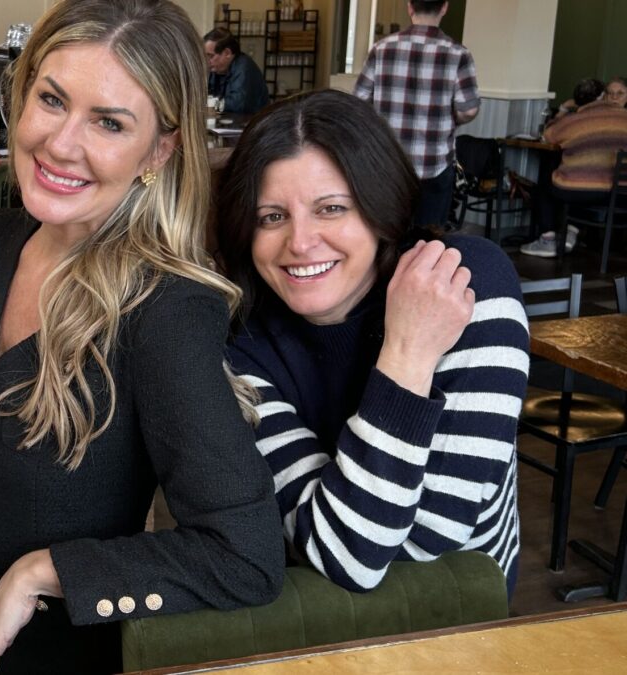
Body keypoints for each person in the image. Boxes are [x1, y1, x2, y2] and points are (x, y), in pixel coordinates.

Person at [0, 1, 286, 673]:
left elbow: (245, 553)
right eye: (52, 99)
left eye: (109, 122)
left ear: (158, 150)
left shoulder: (166, 307)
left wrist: (43, 571)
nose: (62, 143)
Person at [216, 89, 527, 597]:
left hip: (463, 612)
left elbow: (434, 540)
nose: (299, 242)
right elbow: (349, 551)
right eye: (272, 216)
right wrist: (408, 356)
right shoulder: (240, 342)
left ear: (380, 208)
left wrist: (408, 342)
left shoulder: (464, 283)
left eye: (331, 208)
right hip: (322, 617)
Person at [355, 0, 480, 229]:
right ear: (444, 7)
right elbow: (468, 110)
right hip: (435, 163)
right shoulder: (458, 54)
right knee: (428, 241)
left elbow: (359, 101)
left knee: (387, 234)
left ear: (409, 7)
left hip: (389, 163)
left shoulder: (381, 49)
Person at [521, 77, 627, 257]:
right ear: (603, 97)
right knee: (585, 179)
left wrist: (563, 109)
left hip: (578, 192)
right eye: (610, 93)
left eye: (619, 93)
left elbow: (548, 135)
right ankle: (571, 232)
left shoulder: (576, 119)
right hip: (621, 194)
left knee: (550, 181)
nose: (614, 98)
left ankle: (548, 239)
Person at [203, 27, 268, 114]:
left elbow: (238, 104)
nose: (207, 61)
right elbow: (207, 93)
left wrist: (209, 103)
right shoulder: (216, 69)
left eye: (210, 56)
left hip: (252, 124)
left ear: (227, 53)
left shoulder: (244, 68)